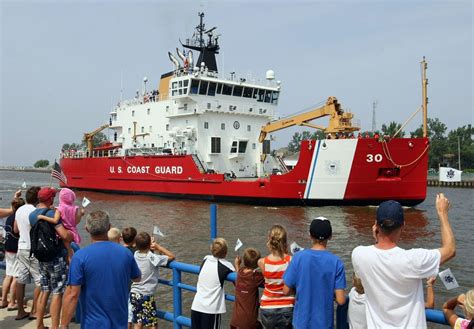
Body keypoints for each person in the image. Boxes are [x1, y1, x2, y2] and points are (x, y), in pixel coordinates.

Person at [351, 194, 456, 328]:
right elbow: (450, 249)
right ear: (403, 226)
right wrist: (442, 213)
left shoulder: (359, 254)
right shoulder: (413, 259)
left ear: (376, 225)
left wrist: (377, 240)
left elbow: (377, 255)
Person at [61, 210, 141, 329]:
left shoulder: (80, 257)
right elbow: (137, 278)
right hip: (119, 322)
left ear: (87, 229)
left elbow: (73, 294)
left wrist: (63, 324)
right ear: (109, 227)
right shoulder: (125, 253)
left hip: (92, 324)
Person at [283, 217, 346, 329]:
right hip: (324, 323)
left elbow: (286, 290)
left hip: (301, 322)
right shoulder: (336, 262)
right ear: (330, 236)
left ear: (310, 235)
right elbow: (341, 300)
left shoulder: (298, 258)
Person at [29, 187, 74, 329]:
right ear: (50, 199)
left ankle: (40, 324)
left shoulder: (32, 214)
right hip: (56, 257)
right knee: (57, 292)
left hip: (41, 256)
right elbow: (65, 235)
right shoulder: (52, 213)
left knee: (45, 289)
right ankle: (55, 326)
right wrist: (71, 234)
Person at [130, 232, 175, 329]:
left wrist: (150, 248)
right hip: (146, 295)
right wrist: (158, 247)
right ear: (149, 245)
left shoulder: (135, 254)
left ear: (136, 245)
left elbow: (144, 253)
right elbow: (172, 256)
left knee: (138, 322)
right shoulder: (152, 258)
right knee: (153, 324)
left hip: (134, 293)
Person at [191, 237, 235, 329]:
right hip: (211, 310)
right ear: (226, 252)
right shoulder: (227, 265)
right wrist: (238, 265)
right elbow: (238, 280)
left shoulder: (206, 259)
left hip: (196, 306)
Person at [13, 186, 42, 321]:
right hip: (32, 249)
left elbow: (15, 230)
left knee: (21, 280)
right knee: (40, 281)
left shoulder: (19, 210)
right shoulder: (36, 212)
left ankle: (20, 311)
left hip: (21, 247)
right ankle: (34, 311)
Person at [258, 225, 294, 329]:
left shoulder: (262, 262)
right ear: (285, 242)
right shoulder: (291, 261)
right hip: (286, 307)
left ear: (269, 240)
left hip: (267, 307)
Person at [230, 247, 264, 329]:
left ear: (244, 261)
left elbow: (238, 279)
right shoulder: (255, 276)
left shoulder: (240, 273)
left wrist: (237, 265)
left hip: (234, 322)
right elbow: (268, 276)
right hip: (250, 323)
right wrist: (262, 265)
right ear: (257, 263)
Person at [0, 197, 24, 310]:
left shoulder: (8, 217)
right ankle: (12, 302)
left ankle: (4, 299)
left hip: (8, 248)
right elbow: (16, 231)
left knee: (8, 275)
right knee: (16, 276)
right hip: (15, 249)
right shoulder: (17, 218)